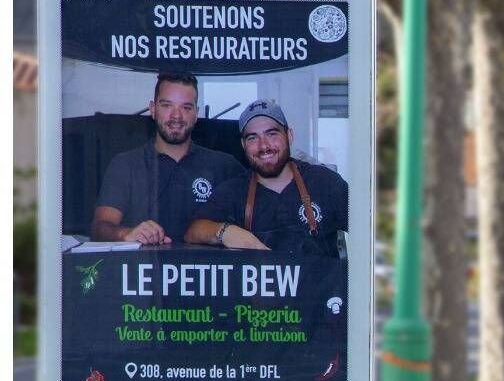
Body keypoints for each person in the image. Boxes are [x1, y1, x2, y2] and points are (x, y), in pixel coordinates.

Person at [90, 70, 246, 245]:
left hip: (207, 271)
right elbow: (99, 228)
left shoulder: (224, 166)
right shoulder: (126, 165)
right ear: (153, 109)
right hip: (145, 271)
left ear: (196, 114)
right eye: (167, 105)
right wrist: (126, 233)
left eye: (186, 107)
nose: (176, 116)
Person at [186, 99, 348, 258]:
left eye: (271, 134)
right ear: (243, 145)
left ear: (289, 136)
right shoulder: (234, 191)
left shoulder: (326, 183)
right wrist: (224, 231)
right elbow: (193, 231)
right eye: (253, 138)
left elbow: (368, 225)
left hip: (320, 285)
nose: (264, 146)